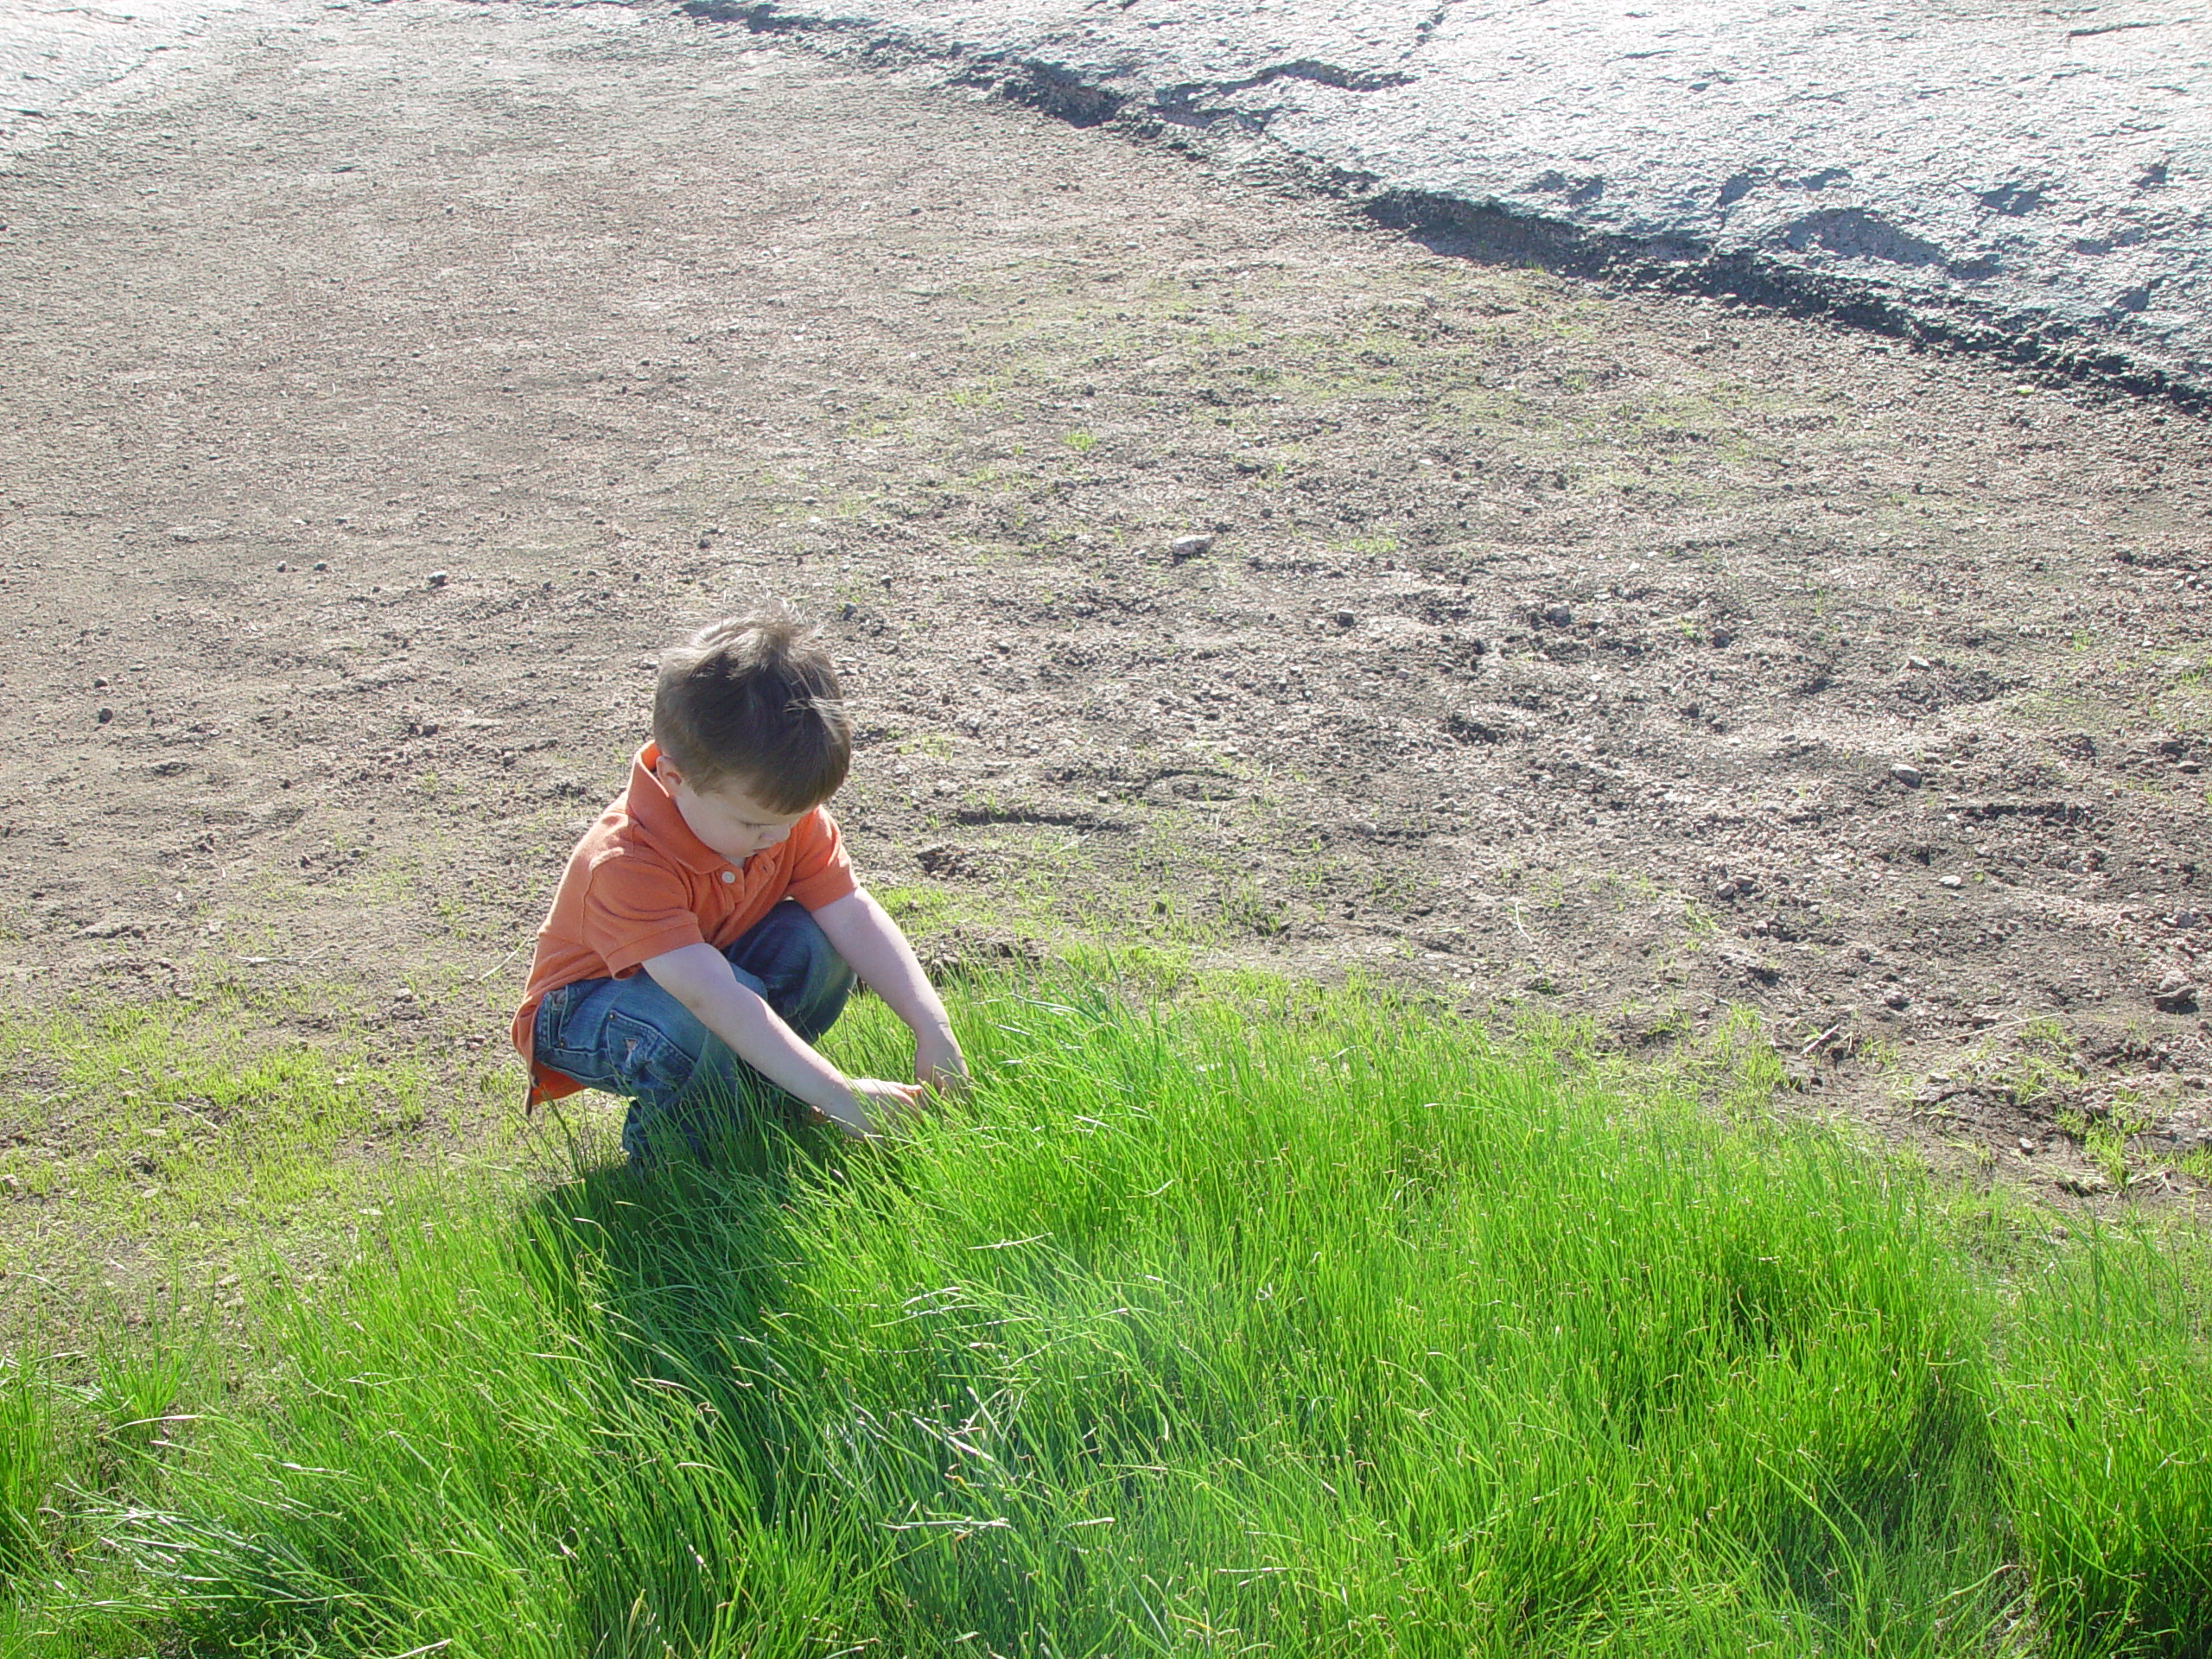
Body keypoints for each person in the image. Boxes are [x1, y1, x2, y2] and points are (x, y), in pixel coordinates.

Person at [510, 602, 967, 1160]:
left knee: (817, 942)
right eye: (754, 824)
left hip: (716, 973)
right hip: (589, 1008)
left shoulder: (776, 819)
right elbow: (710, 995)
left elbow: (850, 911)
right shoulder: (626, 860)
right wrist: (839, 1093)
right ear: (675, 780)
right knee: (690, 1025)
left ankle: (765, 1096)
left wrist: (931, 1024)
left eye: (794, 821)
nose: (777, 839)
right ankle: (675, 1169)